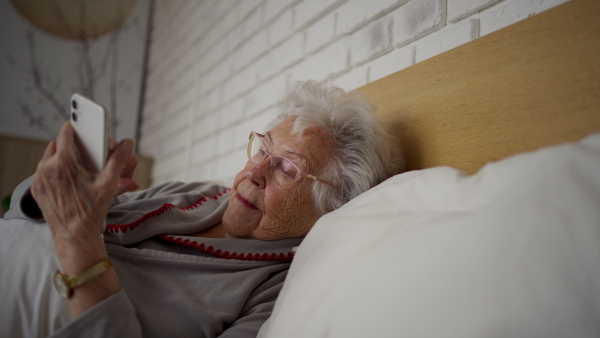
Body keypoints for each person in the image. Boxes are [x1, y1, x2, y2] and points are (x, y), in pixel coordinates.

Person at [0, 79, 403, 337]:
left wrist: (79, 248)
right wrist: (56, 189)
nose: (254, 171)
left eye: (288, 168)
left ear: (330, 208)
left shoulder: (275, 297)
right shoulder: (199, 193)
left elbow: (76, 232)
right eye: (263, 149)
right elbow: (21, 218)